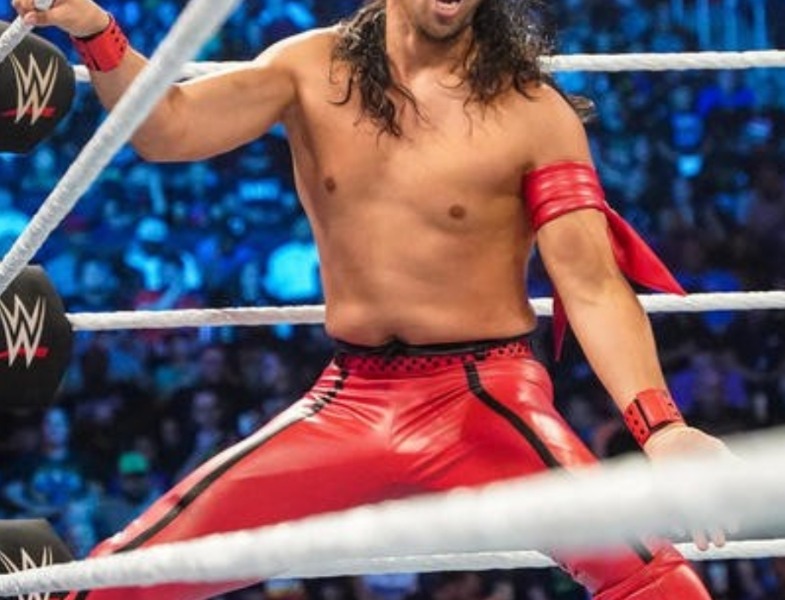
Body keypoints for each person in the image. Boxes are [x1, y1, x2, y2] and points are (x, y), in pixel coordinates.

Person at [11, 0, 732, 598]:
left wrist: (661, 428)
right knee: (121, 579)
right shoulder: (308, 69)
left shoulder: (533, 114)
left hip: (483, 399)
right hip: (349, 398)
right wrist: (94, 28)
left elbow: (592, 283)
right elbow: (167, 128)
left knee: (657, 582)